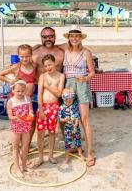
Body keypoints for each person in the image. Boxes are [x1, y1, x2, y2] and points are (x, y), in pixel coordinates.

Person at [62, 24, 96, 167]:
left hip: (81, 85)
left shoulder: (86, 52)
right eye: (72, 35)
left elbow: (92, 72)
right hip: (68, 86)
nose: (74, 38)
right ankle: (75, 146)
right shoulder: (65, 51)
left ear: (80, 38)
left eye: (77, 35)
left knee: (84, 119)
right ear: (69, 37)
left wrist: (85, 78)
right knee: (69, 118)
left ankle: (90, 152)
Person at [0, 44, 37, 146]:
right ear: (18, 56)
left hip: (28, 101)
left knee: (29, 124)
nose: (24, 58)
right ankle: (16, 146)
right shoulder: (16, 67)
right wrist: (11, 80)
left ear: (31, 55)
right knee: (18, 126)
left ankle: (26, 145)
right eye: (22, 56)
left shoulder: (34, 66)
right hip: (17, 102)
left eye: (27, 56)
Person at [34, 54, 65, 167]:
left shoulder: (61, 76)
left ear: (54, 63)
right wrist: (40, 109)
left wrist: (47, 86)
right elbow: (39, 94)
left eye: (50, 64)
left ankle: (51, 156)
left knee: (52, 132)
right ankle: (41, 157)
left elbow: (59, 93)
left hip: (54, 106)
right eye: (46, 66)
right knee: (40, 133)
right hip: (43, 106)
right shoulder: (42, 76)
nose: (48, 67)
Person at [6, 80, 34, 178]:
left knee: (25, 146)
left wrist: (31, 114)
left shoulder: (27, 99)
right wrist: (18, 118)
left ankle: (24, 166)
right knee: (15, 147)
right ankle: (17, 168)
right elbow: (10, 116)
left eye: (22, 91)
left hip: (26, 126)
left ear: (25, 90)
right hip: (16, 127)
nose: (20, 93)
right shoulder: (10, 101)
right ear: (13, 90)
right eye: (18, 91)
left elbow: (30, 110)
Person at [58, 88, 84, 164]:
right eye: (66, 101)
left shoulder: (75, 105)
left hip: (75, 127)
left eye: (70, 101)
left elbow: (76, 116)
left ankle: (80, 154)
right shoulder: (62, 108)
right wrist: (65, 120)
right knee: (67, 143)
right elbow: (60, 119)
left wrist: (76, 126)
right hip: (67, 129)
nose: (68, 103)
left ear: (73, 99)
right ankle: (67, 157)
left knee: (78, 141)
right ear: (63, 99)